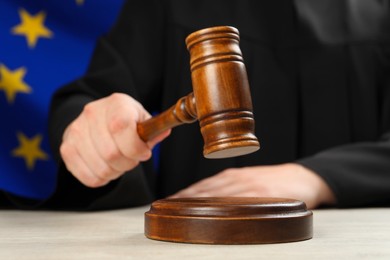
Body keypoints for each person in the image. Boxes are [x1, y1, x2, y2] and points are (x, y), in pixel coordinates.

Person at [42, 0, 390, 210]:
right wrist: (93, 131)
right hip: (197, 246)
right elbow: (89, 99)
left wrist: (318, 177)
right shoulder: (171, 4)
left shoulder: (381, 13)